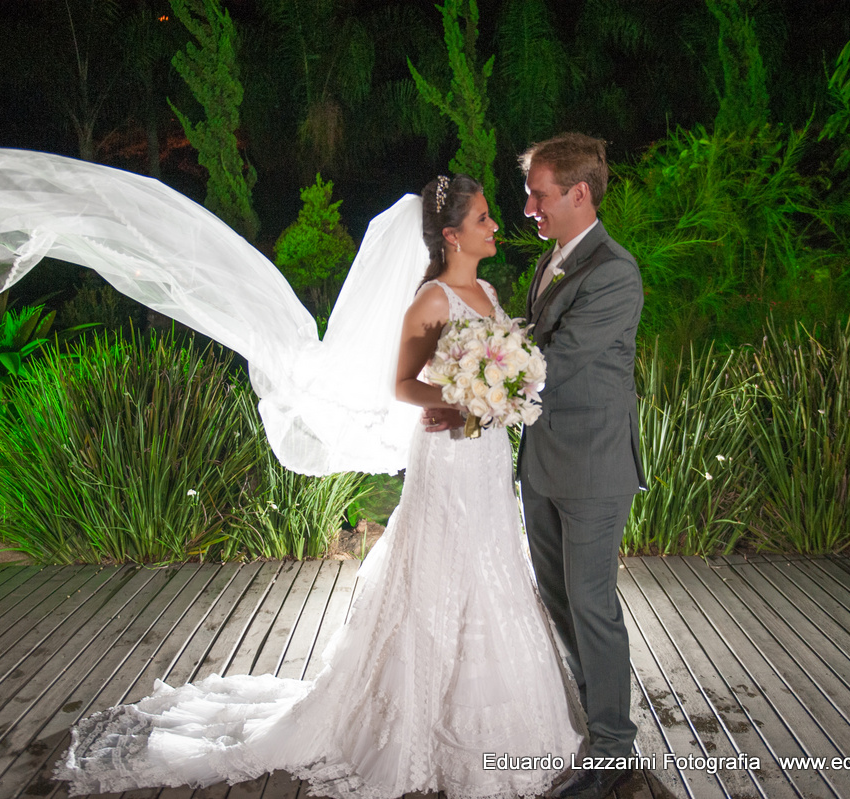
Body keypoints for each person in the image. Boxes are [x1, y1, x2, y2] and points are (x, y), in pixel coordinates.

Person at [53, 174, 582, 797]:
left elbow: (498, 367)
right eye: (484, 219)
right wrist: (464, 398)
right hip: (447, 454)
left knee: (493, 565)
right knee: (443, 569)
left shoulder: (489, 292)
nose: (495, 227)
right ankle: (421, 726)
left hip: (489, 456)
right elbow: (403, 386)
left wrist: (503, 393)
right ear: (450, 235)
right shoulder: (431, 301)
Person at [520, 133, 646, 799]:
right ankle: (593, 718)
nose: (530, 207)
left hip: (594, 466)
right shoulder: (553, 262)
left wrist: (481, 374)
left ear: (579, 193)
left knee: (592, 604)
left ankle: (615, 753)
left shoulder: (615, 272)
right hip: (543, 463)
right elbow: (532, 338)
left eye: (538, 195)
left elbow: (553, 362)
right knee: (560, 598)